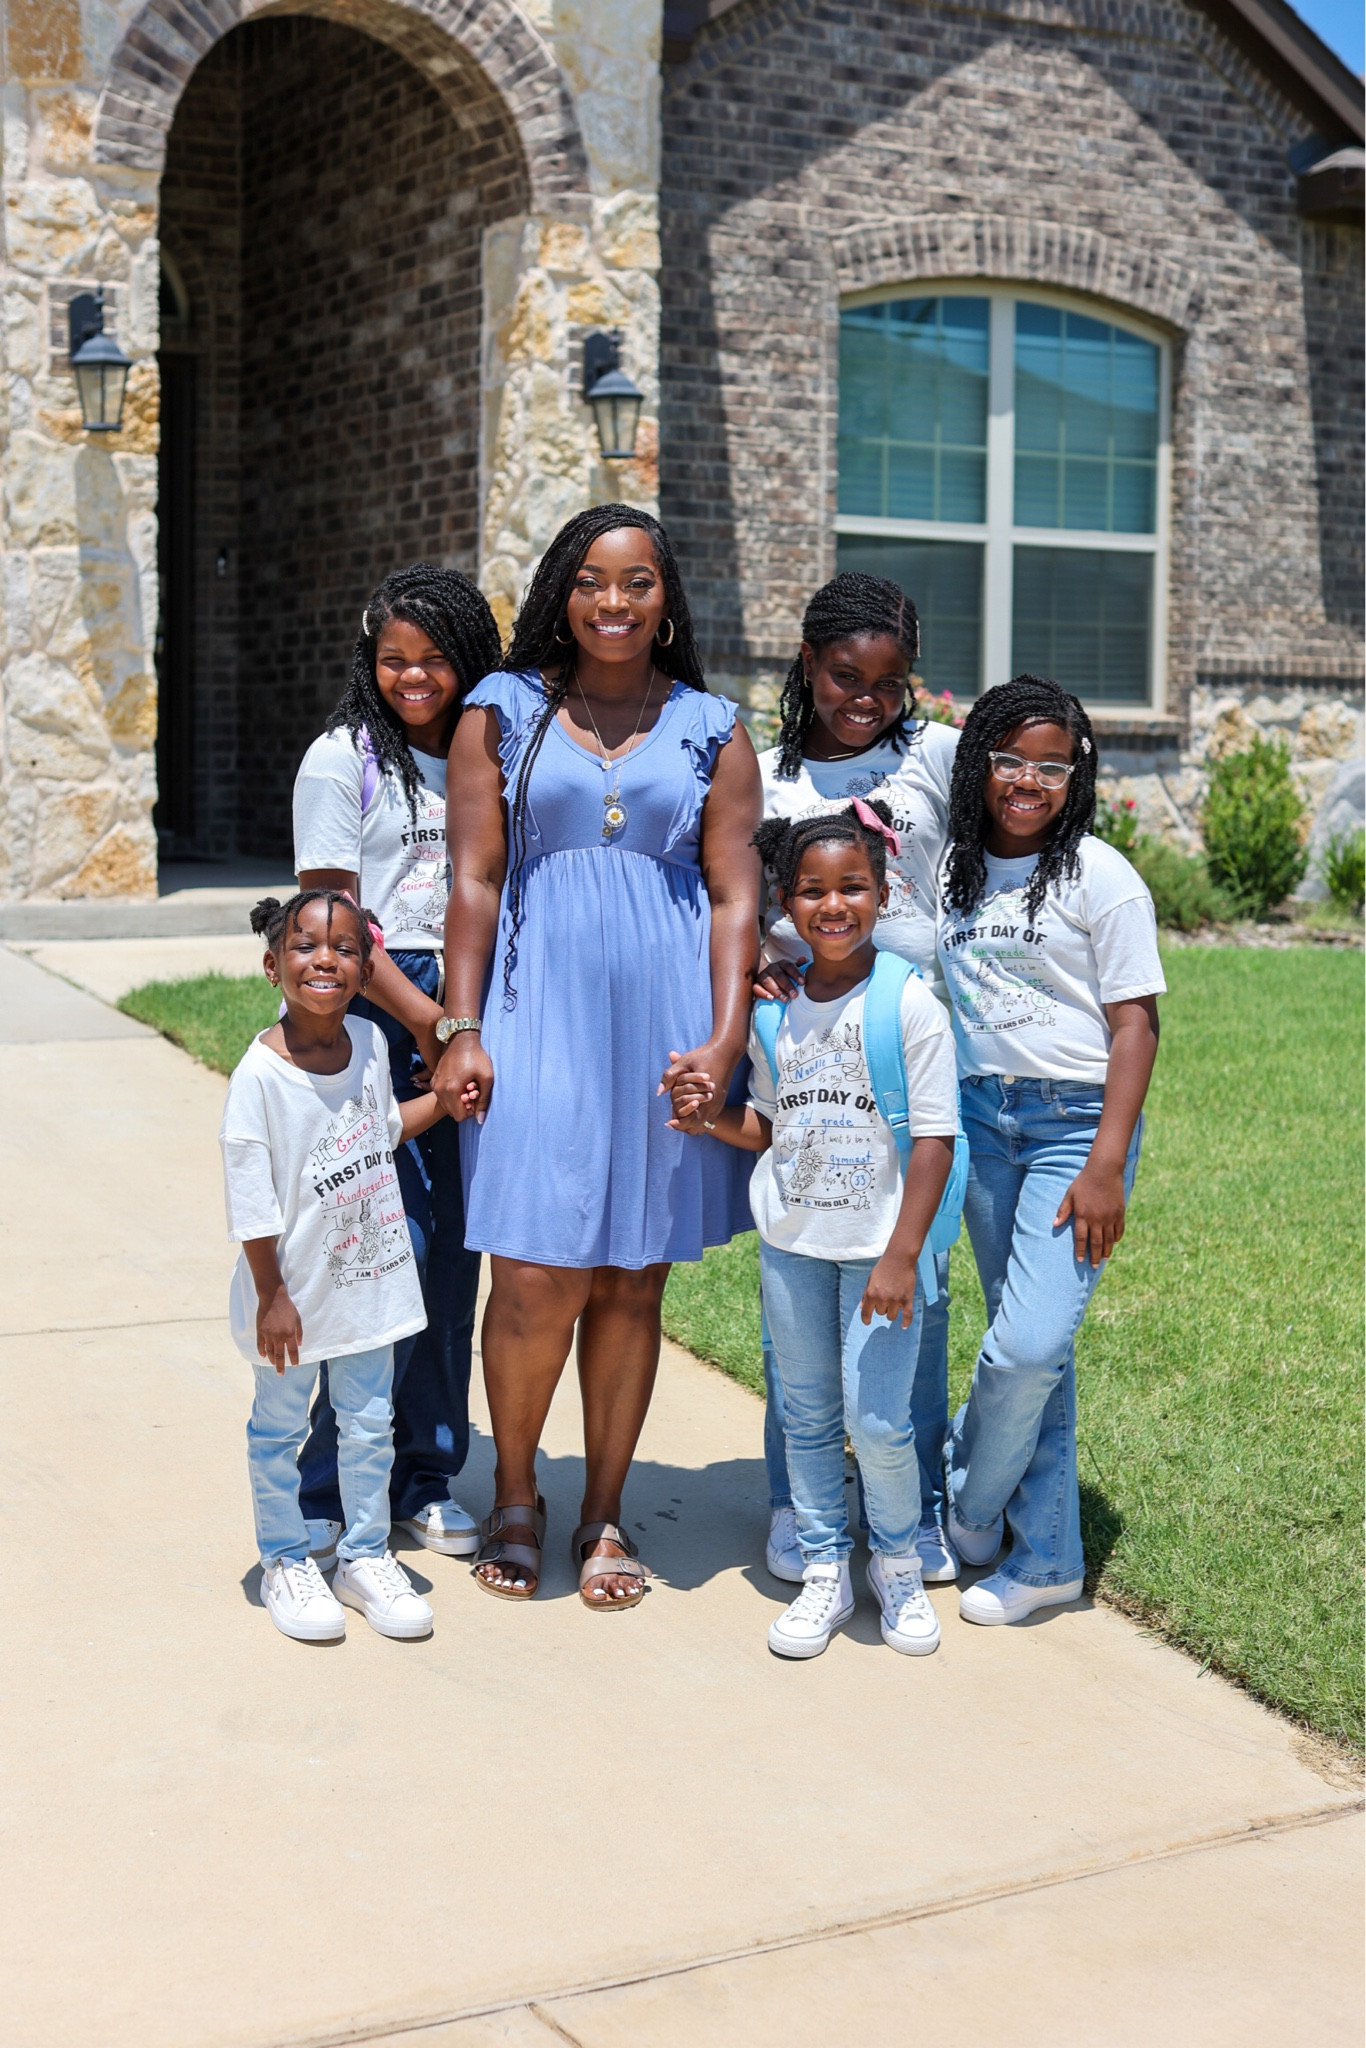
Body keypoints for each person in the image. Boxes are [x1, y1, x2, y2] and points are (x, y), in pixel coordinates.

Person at [431, 505, 761, 1609]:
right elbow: (473, 879)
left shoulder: (714, 725)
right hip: (535, 1009)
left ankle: (605, 1508)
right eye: (590, 581)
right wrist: (460, 1024)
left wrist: (722, 1038)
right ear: (559, 595)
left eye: (637, 583)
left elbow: (733, 894)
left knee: (630, 1276)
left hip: (667, 1022)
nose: (613, 602)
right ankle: (516, 1494)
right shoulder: (504, 710)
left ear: (667, 601)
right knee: (533, 1266)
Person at [671, 801, 958, 1659]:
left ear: (882, 892)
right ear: (786, 906)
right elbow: (770, 1124)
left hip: (881, 1254)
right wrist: (706, 1122)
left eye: (854, 888)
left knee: (878, 1422)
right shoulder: (772, 1012)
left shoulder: (912, 1006)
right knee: (804, 1412)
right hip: (793, 1247)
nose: (834, 906)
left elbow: (937, 1141)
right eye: (813, 892)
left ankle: (898, 1562)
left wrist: (904, 1255)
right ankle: (827, 1565)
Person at [937, 677, 1163, 1625]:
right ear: (981, 763)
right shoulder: (951, 868)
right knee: (1031, 1344)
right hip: (984, 1121)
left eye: (1051, 767)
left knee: (1028, 1346)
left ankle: (970, 1496)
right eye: (1011, 762)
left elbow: (1137, 1025)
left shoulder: (1099, 877)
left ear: (1076, 778)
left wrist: (1106, 1161)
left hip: (1075, 1127)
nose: (1029, 781)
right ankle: (1047, 1564)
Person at [292, 564, 502, 1566]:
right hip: (378, 1000)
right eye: (393, 659)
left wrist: (466, 1018)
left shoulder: (490, 752)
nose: (412, 677)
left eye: (433, 659)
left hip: (473, 995)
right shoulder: (343, 760)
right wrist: (429, 1021)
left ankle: (426, 1472)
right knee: (381, 1248)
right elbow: (330, 926)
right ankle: (329, 1487)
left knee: (453, 1257)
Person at [754, 572, 960, 1589]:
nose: (864, 697)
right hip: (809, 1056)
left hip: (912, 1049)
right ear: (809, 665)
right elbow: (732, 903)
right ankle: (799, 1503)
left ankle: (908, 1508)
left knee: (908, 1287)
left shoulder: (935, 757)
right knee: (799, 1274)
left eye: (886, 679)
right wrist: (753, 959)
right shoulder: (769, 777)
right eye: (844, 675)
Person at [221, 889, 456, 1644]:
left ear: (364, 969)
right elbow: (252, 1205)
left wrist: (446, 1101)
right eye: (306, 946)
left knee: (366, 1426)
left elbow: (380, 1133)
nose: (326, 958)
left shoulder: (370, 1044)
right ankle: (286, 1558)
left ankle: (361, 1554)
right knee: (280, 1429)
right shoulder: (259, 1077)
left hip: (369, 1285)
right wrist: (272, 1297)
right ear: (272, 965)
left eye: (346, 947)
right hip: (289, 1297)